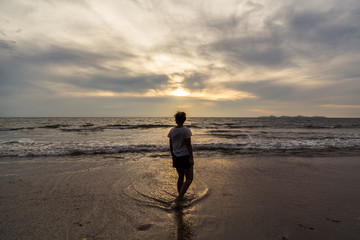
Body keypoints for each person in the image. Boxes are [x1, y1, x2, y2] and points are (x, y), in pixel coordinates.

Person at [167, 112, 194, 207]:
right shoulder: (186, 130)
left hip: (176, 156)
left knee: (181, 177)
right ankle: (178, 199)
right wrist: (191, 157)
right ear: (185, 119)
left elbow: (171, 144)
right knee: (189, 178)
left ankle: (180, 196)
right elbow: (188, 145)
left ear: (176, 120)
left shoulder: (172, 131)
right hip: (185, 156)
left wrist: (173, 154)